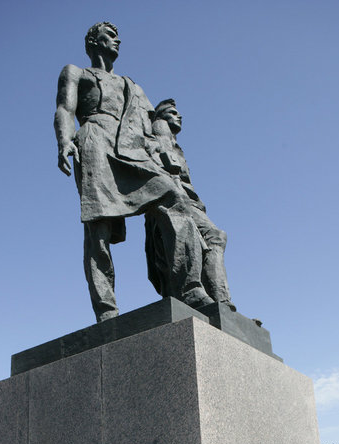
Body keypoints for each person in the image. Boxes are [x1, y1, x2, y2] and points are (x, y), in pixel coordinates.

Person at [54, 22, 214, 322]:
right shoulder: (76, 72)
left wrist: (169, 153)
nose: (118, 41)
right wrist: (65, 140)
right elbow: (64, 108)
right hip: (95, 140)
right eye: (110, 36)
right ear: (93, 41)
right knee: (98, 226)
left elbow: (155, 126)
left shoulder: (132, 85)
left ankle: (189, 287)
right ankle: (107, 310)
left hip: (131, 148)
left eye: (117, 37)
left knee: (173, 197)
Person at [144, 99, 234, 307]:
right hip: (176, 201)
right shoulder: (161, 128)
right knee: (215, 237)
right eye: (173, 112)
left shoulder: (175, 143)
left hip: (184, 202)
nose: (179, 116)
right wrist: (181, 202)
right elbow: (169, 166)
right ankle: (219, 301)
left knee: (209, 242)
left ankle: (219, 302)